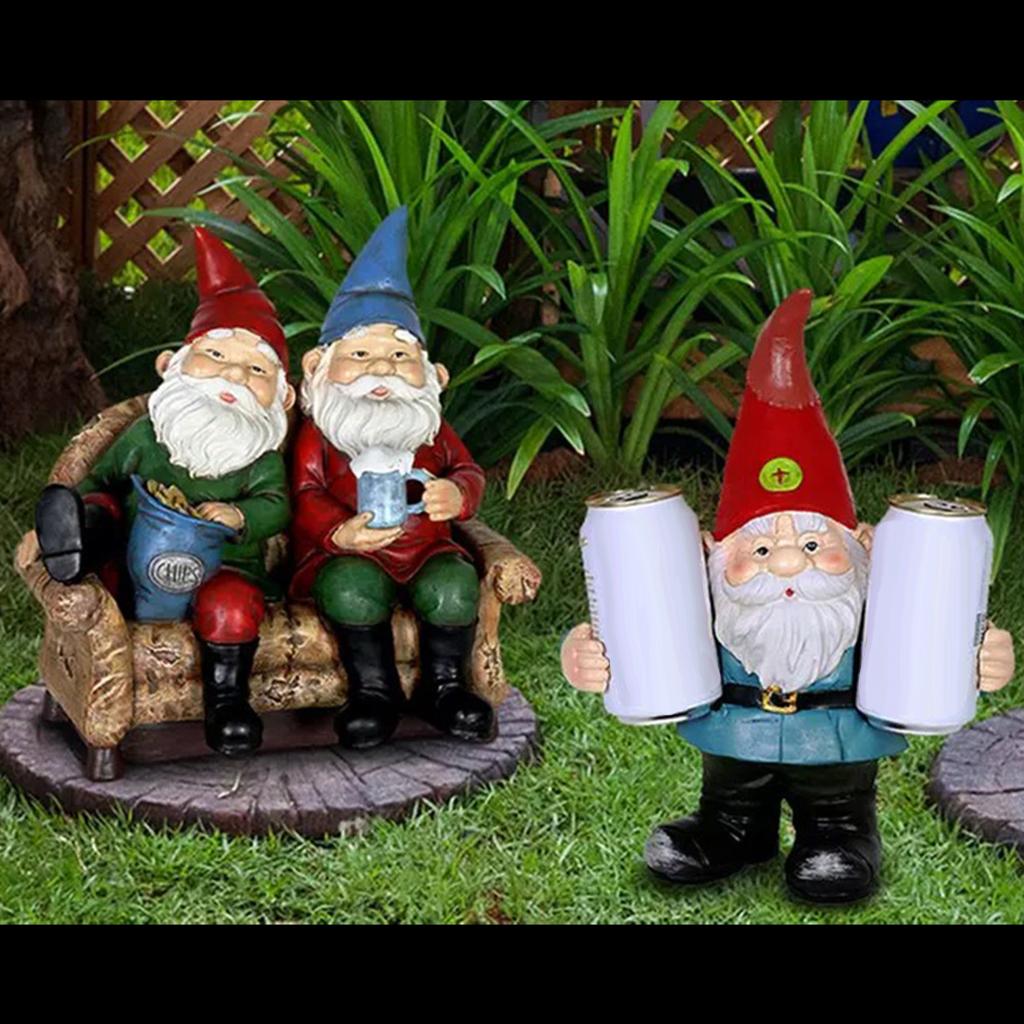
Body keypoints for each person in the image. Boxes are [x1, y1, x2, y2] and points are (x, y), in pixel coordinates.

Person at [561, 289, 1015, 904]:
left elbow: (936, 630)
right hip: (735, 738)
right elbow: (637, 626)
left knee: (836, 814)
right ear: (709, 552)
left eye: (811, 544)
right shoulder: (702, 603)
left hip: (837, 747)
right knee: (731, 798)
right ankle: (732, 832)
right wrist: (585, 653)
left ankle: (841, 837)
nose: (786, 564)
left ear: (864, 544)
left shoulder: (878, 604)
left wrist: (979, 653)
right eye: (759, 550)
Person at [34, 227, 294, 756]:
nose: (233, 375)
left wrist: (240, 517)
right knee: (101, 516)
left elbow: (277, 507)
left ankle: (226, 703)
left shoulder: (260, 459)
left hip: (226, 568)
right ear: (170, 365)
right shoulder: (147, 437)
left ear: (282, 397)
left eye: (256, 370)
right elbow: (102, 477)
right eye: (215, 356)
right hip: (136, 557)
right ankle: (76, 543)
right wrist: (85, 504)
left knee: (231, 608)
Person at [290, 207, 491, 750]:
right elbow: (304, 494)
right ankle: (373, 693)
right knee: (350, 590)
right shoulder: (320, 435)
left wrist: (458, 494)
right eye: (359, 354)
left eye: (400, 356)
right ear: (318, 366)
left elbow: (468, 470)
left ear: (432, 374)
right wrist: (340, 532)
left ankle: (445, 688)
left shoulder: (431, 429)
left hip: (427, 549)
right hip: (348, 555)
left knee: (454, 587)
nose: (381, 368)